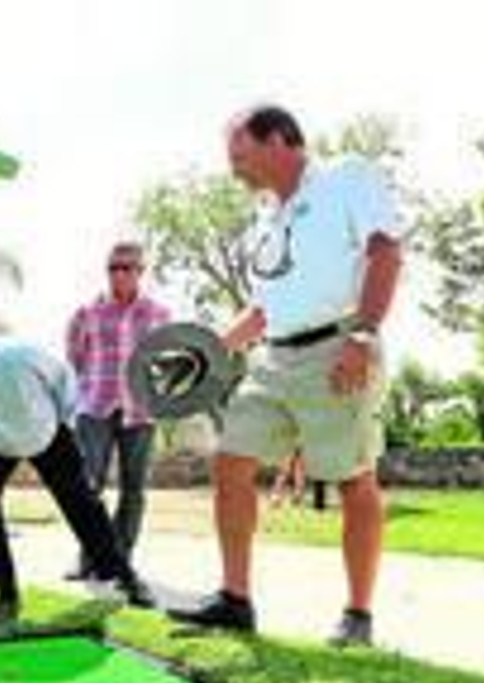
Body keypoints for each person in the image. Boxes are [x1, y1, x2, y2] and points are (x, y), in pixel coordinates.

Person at [170, 104, 405, 647]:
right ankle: (235, 600)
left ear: (277, 139)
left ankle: (358, 615)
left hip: (339, 345)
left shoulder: (346, 177)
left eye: (240, 155)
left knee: (353, 478)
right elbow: (261, 309)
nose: (234, 169)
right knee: (231, 461)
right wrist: (207, 353)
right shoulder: (265, 217)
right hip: (272, 358)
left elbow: (386, 253)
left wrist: (363, 335)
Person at [0, 336, 154, 632]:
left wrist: (64, 423)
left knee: (81, 500)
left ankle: (123, 577)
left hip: (46, 434)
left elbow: (63, 378)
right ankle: (6, 595)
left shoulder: (14, 360)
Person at [65, 241, 172, 579]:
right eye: (113, 267)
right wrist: (89, 387)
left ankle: (120, 558)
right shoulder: (87, 312)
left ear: (141, 271)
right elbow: (75, 356)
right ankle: (88, 557)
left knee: (133, 489)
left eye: (127, 267)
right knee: (87, 486)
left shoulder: (159, 314)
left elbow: (168, 363)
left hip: (140, 410)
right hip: (95, 407)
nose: (119, 274)